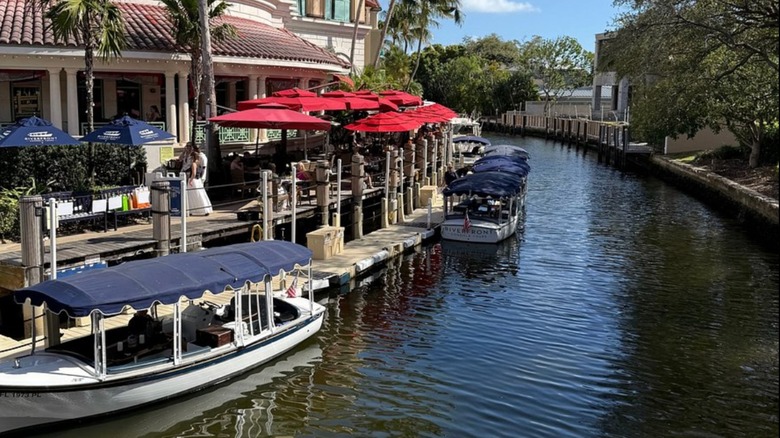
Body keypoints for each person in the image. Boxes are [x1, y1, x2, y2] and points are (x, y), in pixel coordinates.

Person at [187, 145, 212, 216]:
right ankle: (204, 209)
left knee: (193, 195)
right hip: (198, 180)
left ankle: (192, 209)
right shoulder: (199, 163)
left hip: (194, 180)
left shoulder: (193, 164)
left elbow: (194, 173)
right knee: (200, 194)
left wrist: (190, 180)